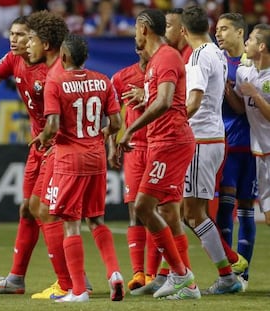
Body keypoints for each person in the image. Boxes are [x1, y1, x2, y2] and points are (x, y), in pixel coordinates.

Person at [0, 13, 84, 299]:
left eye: (22, 35)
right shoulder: (14, 60)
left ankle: (69, 281)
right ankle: (16, 278)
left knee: (43, 209)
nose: (15, 39)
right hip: (38, 147)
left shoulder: (56, 69)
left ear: (40, 41)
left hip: (58, 147)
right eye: (12, 33)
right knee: (27, 209)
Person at [119, 8, 199, 300]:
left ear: (143, 28)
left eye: (135, 30)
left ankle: (182, 275)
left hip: (171, 141)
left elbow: (164, 102)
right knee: (168, 212)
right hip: (163, 141)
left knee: (142, 207)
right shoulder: (156, 61)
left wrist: (129, 130)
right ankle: (186, 283)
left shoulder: (165, 57)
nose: (134, 36)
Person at [38, 33, 124, 303]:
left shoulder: (56, 81)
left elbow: (52, 126)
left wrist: (42, 139)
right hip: (97, 157)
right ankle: (114, 274)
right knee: (96, 219)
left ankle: (78, 291)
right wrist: (98, 136)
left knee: (71, 224)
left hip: (69, 160)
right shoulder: (103, 80)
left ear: (63, 56)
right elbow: (118, 123)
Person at [180, 6, 243, 295]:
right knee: (189, 211)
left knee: (192, 213)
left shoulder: (196, 57)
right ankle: (226, 267)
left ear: (183, 31)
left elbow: (194, 100)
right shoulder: (217, 53)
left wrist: (171, 121)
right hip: (214, 138)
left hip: (201, 140)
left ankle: (227, 274)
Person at [110, 48, 160, 290]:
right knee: (135, 211)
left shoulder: (165, 74)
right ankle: (138, 274)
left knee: (155, 210)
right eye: (140, 44)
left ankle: (152, 274)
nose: (144, 48)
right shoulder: (121, 77)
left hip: (159, 146)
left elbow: (173, 102)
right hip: (134, 149)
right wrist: (111, 145)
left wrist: (148, 94)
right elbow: (112, 115)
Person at [215, 12, 256, 287]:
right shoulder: (215, 60)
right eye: (217, 29)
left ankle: (243, 274)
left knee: (246, 209)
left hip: (252, 146)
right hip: (226, 144)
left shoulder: (253, 62)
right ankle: (228, 275)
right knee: (224, 210)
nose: (218, 34)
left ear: (240, 32)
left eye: (225, 29)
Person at [232, 24, 270, 227]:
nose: (246, 42)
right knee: (268, 216)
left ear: (262, 46)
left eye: (252, 39)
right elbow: (240, 108)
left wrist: (255, 93)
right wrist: (228, 92)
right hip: (260, 153)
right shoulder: (243, 73)